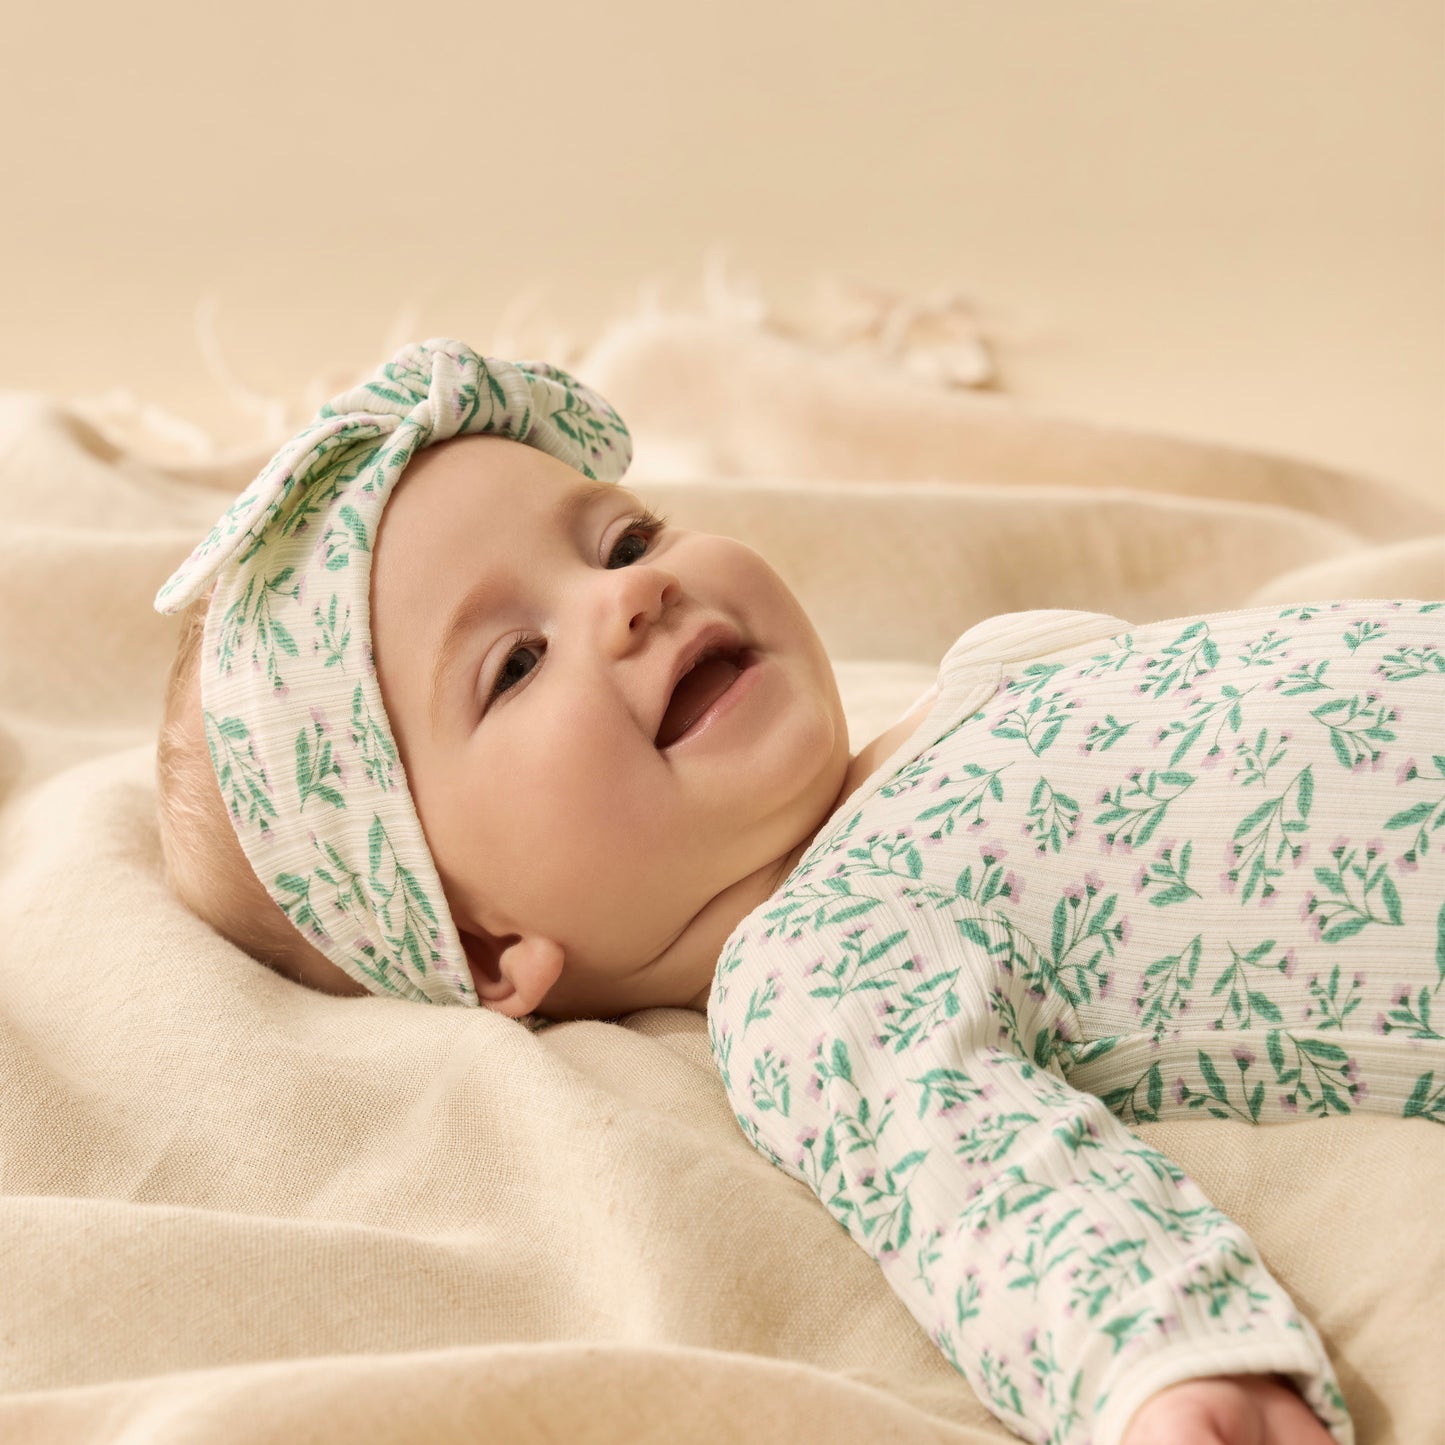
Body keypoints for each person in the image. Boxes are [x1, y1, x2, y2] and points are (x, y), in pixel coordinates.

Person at [155, 339, 1443, 1445]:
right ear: (491, 952)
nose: (632, 593)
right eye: (516, 662)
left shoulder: (945, 710)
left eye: (621, 536)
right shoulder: (809, 968)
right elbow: (971, 1174)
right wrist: (1166, 1368)